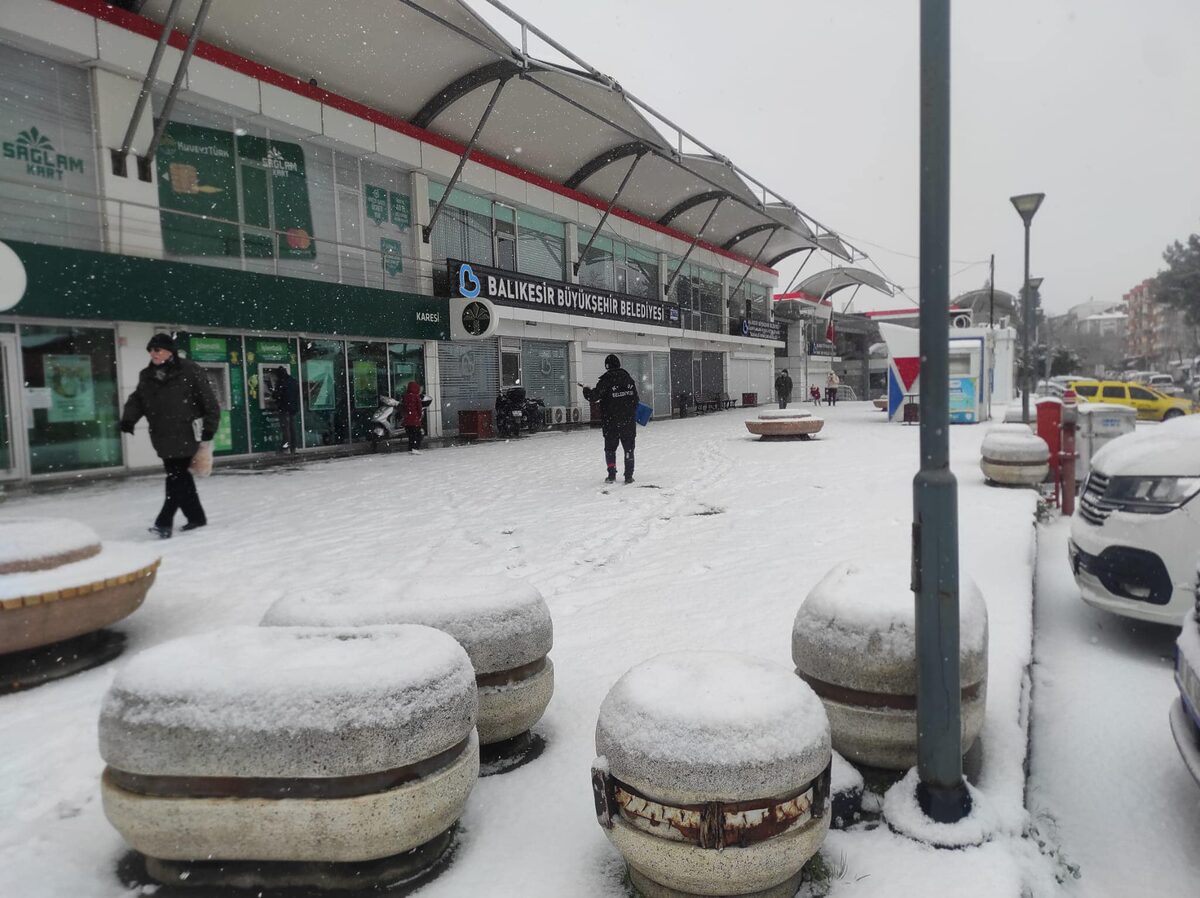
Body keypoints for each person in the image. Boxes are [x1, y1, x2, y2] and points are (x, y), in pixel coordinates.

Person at [120, 333, 220, 538]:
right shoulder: (146, 375)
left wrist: (209, 427)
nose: (153, 354)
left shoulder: (189, 370)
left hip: (185, 433)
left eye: (157, 349)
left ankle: (164, 522)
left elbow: (209, 401)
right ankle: (196, 517)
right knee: (180, 478)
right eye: (150, 350)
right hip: (161, 435)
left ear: (169, 351)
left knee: (176, 477)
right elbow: (138, 399)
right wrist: (129, 419)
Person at [582, 354, 639, 484]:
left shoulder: (606, 380)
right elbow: (636, 400)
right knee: (629, 449)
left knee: (610, 449)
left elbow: (593, 397)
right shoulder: (629, 380)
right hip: (628, 422)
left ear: (607, 366)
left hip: (611, 422)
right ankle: (629, 476)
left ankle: (611, 474)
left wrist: (586, 389)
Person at [271, 366, 300, 454]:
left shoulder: (281, 382)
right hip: (292, 408)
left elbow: (276, 395)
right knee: (292, 429)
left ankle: (285, 448)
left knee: (285, 429)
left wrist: (273, 394)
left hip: (284, 408)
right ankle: (293, 448)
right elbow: (296, 394)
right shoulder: (293, 381)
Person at [401, 380, 426, 452]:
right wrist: (419, 416)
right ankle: (415, 448)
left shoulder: (405, 397)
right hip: (414, 420)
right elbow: (419, 408)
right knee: (417, 435)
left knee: (411, 436)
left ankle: (410, 448)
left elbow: (403, 408)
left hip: (407, 421)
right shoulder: (416, 397)